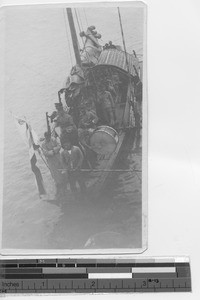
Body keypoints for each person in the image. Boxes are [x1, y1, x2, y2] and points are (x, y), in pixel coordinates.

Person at [41, 131, 65, 199]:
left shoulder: (53, 139)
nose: (47, 138)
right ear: (45, 137)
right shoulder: (43, 144)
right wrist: (51, 152)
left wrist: (54, 150)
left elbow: (59, 145)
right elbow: (45, 152)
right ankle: (57, 182)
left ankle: (64, 179)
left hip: (57, 156)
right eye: (46, 137)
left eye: (48, 137)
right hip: (51, 160)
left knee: (61, 167)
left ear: (50, 136)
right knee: (54, 171)